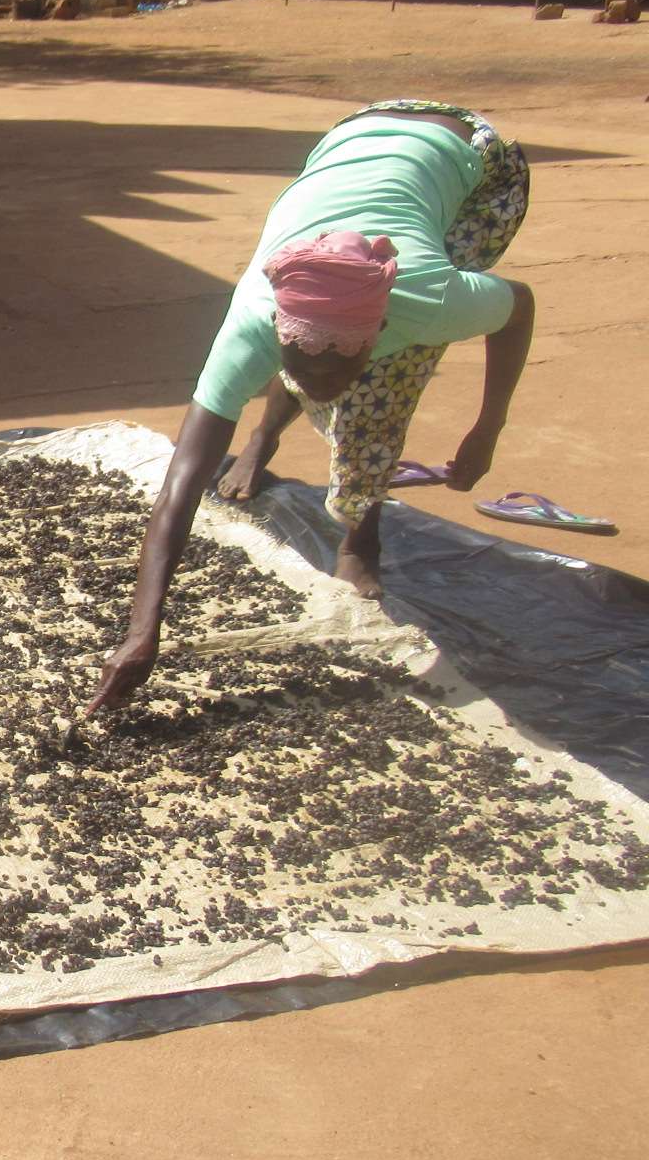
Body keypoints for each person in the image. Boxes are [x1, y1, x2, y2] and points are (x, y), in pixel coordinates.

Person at [90, 101, 536, 716]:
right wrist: (144, 630)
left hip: (473, 160)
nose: (321, 383)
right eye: (298, 363)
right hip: (354, 137)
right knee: (341, 380)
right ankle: (264, 436)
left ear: (379, 328)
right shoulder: (255, 317)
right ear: (278, 333)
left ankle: (361, 533)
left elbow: (520, 306)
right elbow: (179, 487)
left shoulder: (427, 297)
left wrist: (487, 429)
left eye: (341, 363)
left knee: (386, 389)